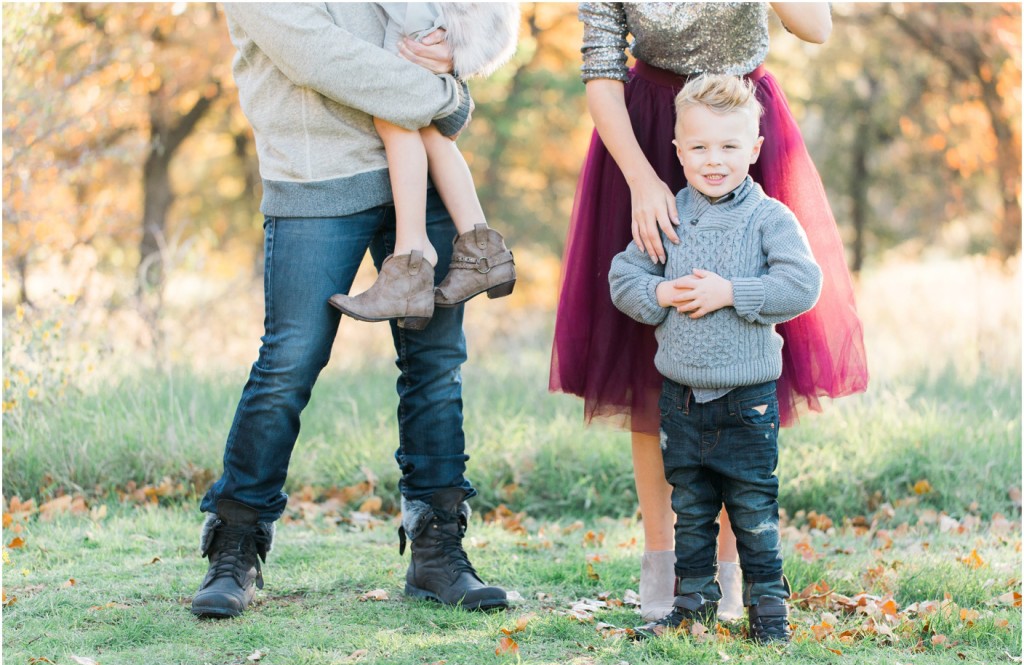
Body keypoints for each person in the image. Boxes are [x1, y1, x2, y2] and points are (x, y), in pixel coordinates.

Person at [549, 3, 868, 622]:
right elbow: (601, 68)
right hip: (645, 138)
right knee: (646, 363)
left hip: (737, 126)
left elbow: (816, 28)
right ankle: (664, 568)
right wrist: (642, 180)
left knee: (739, 355)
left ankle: (732, 574)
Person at [191, 3, 508, 619]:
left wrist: (459, 54)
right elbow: (318, 56)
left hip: (421, 172)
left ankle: (438, 549)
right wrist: (444, 95)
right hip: (317, 178)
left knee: (436, 364)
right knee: (291, 359)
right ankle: (236, 543)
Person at [609, 73, 822, 642]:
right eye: (699, 146)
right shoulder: (669, 214)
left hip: (747, 402)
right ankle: (692, 607)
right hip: (681, 400)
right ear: (677, 150)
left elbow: (802, 284)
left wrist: (733, 293)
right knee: (693, 514)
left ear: (753, 149)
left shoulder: (769, 218)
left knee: (753, 512)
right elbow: (623, 276)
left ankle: (768, 615)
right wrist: (658, 294)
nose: (713, 160)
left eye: (729, 147)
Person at [329, 3, 519, 329]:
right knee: (426, 126)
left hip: (417, 14)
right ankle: (483, 251)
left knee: (393, 113)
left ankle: (412, 256)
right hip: (431, 15)